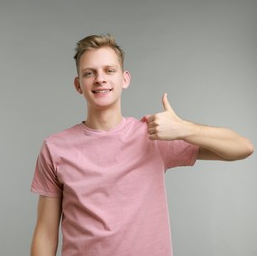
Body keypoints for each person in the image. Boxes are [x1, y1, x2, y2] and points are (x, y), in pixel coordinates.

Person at [30, 34, 254, 256]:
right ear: (78, 85)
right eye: (90, 73)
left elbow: (242, 148)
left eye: (109, 70)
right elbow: (46, 233)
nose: (100, 79)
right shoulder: (56, 148)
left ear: (124, 79)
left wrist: (184, 129)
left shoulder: (153, 135)